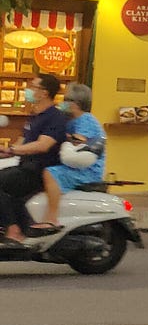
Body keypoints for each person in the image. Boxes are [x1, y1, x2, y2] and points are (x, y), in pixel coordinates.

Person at [0, 73, 73, 242]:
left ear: (44, 93)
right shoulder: (35, 116)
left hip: (38, 170)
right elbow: (22, 142)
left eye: (33, 87)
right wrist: (7, 150)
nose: (29, 90)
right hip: (24, 166)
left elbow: (43, 145)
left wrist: (15, 149)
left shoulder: (55, 117)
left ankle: (13, 230)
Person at [38, 84, 108, 226]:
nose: (63, 103)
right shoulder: (71, 120)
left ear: (75, 103)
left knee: (50, 173)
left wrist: (61, 138)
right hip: (76, 165)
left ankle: (51, 218)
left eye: (66, 100)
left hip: (86, 169)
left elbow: (78, 142)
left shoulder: (86, 120)